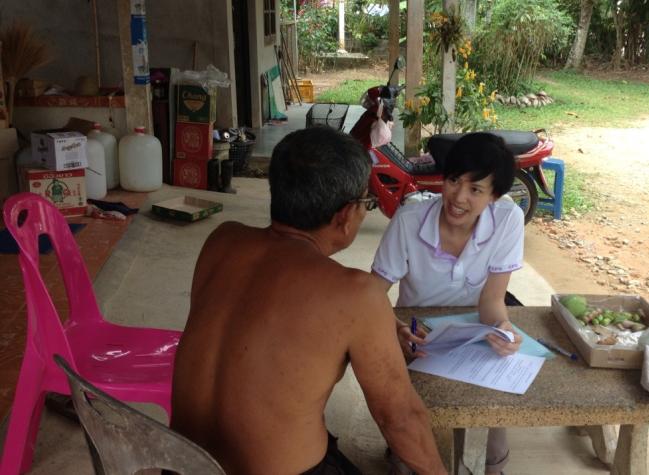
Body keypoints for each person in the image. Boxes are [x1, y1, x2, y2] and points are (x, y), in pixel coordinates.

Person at [171, 126, 446, 475]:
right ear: (345, 215)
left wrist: (376, 325)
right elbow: (400, 418)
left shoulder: (221, 241)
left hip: (179, 463)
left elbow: (263, 318)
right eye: (366, 203)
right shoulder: (357, 295)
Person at [372, 132, 524, 475]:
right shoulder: (409, 222)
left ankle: (490, 466)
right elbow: (371, 295)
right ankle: (401, 454)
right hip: (415, 333)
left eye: (476, 189)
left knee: (492, 429)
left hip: (473, 334)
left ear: (495, 196)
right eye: (454, 180)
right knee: (411, 438)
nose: (458, 197)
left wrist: (502, 327)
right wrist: (394, 329)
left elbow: (492, 299)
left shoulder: (508, 221)